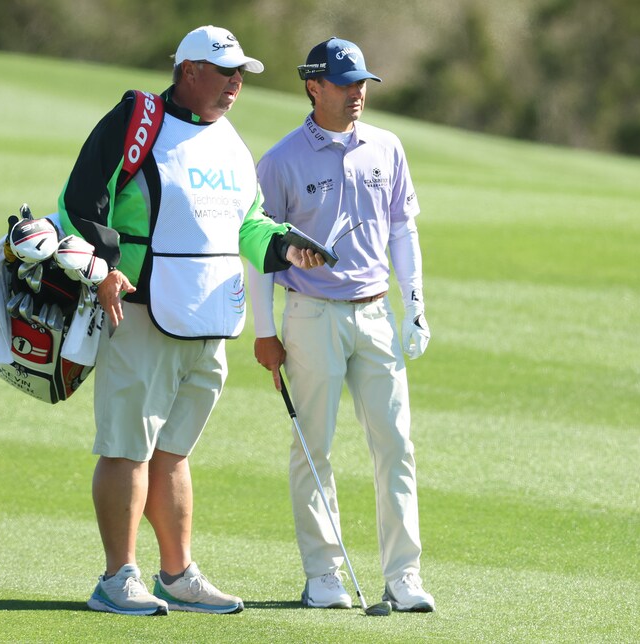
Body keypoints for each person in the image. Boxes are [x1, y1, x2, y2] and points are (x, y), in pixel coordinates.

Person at [57, 25, 324, 617]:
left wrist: (284, 248)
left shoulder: (230, 141)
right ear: (188, 71)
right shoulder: (137, 120)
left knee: (172, 452)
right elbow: (79, 201)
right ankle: (116, 577)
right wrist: (101, 266)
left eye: (241, 74)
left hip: (209, 319)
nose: (235, 83)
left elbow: (249, 225)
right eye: (224, 71)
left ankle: (176, 575)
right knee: (127, 448)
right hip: (141, 311)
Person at [247, 37, 435, 613]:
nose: (357, 93)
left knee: (396, 446)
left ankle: (404, 577)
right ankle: (324, 575)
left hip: (375, 314)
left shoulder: (387, 146)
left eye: (362, 83)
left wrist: (416, 303)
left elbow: (403, 229)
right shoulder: (279, 161)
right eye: (345, 82)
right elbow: (257, 250)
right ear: (314, 87)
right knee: (314, 449)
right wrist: (264, 331)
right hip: (310, 316)